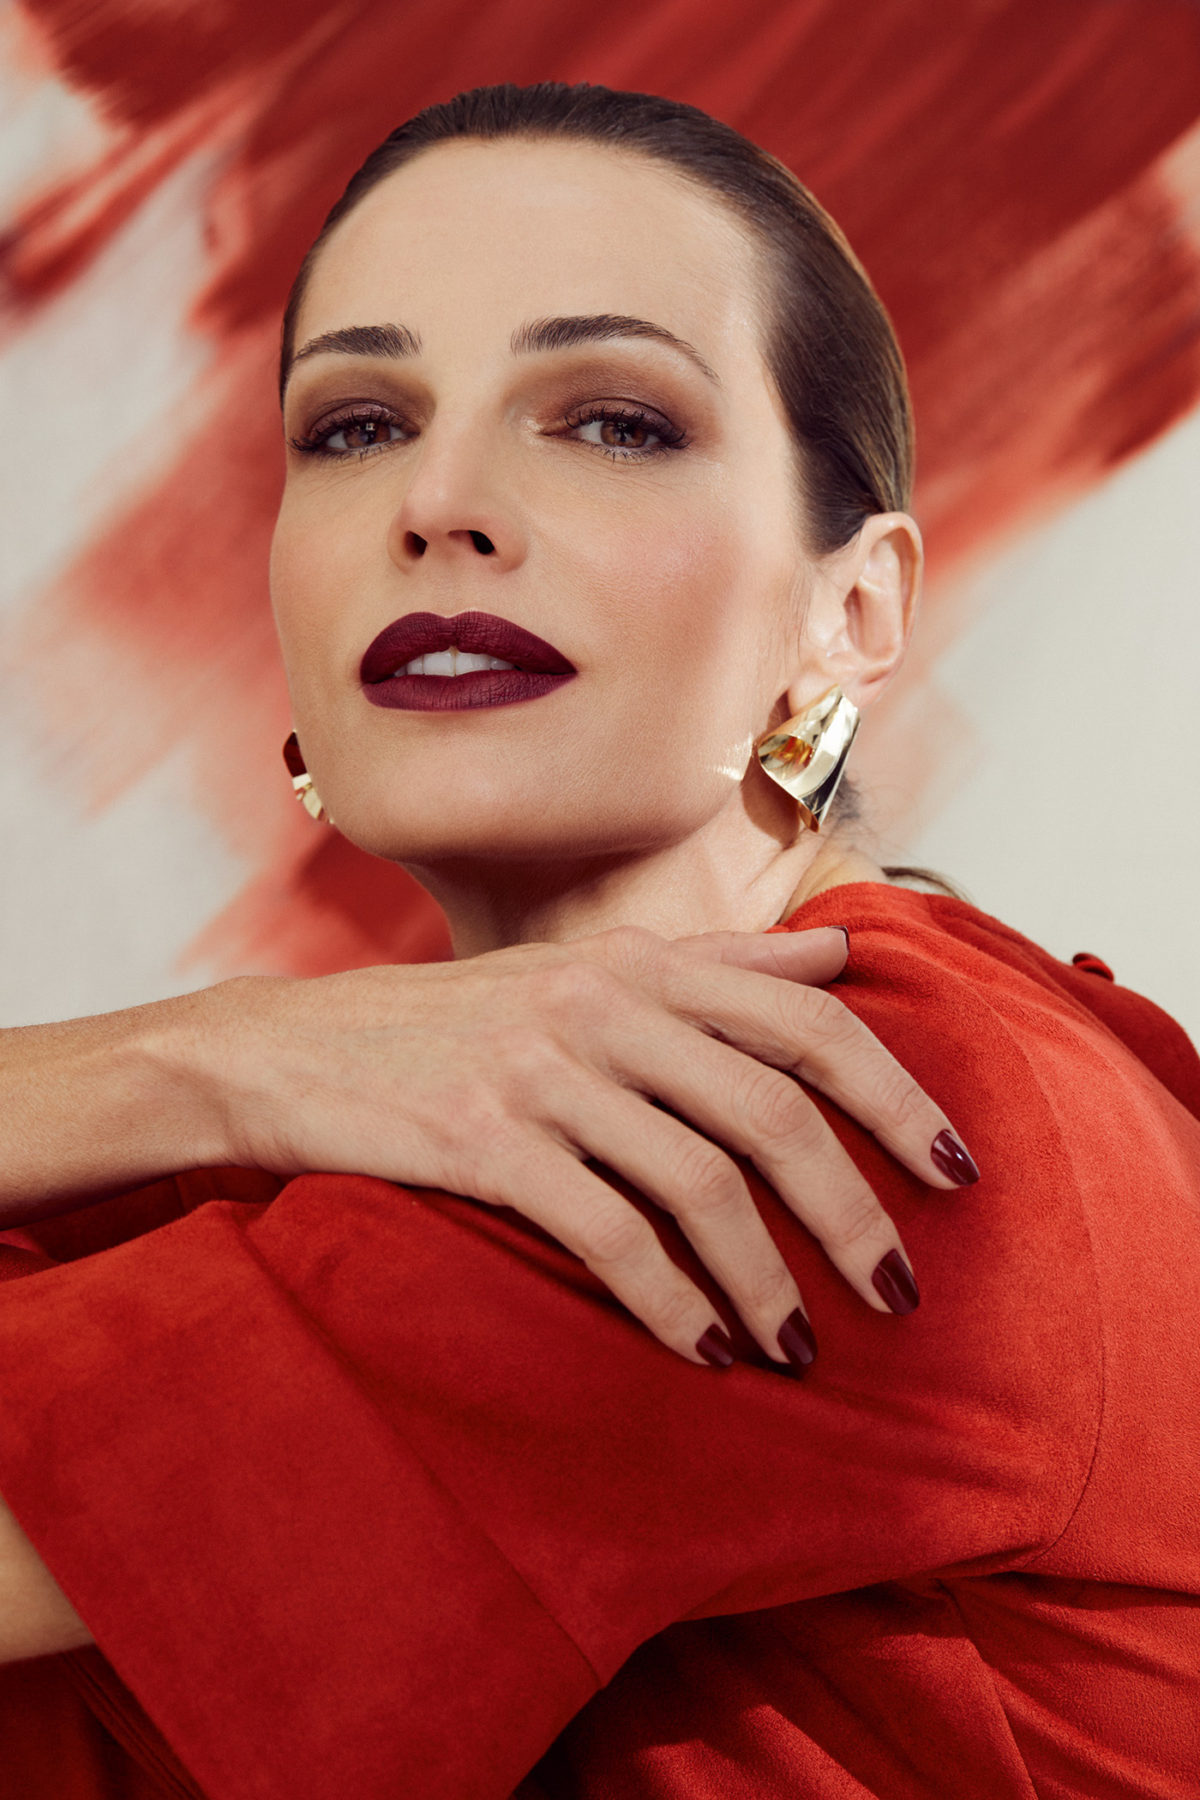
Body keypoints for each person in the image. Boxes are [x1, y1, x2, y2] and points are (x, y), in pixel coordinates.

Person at [0, 79, 1197, 1800]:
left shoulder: (851, 1107)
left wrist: (204, 1059)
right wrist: (218, 1054)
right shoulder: (318, 1144)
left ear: (851, 609)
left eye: (617, 421)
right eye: (355, 426)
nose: (439, 502)